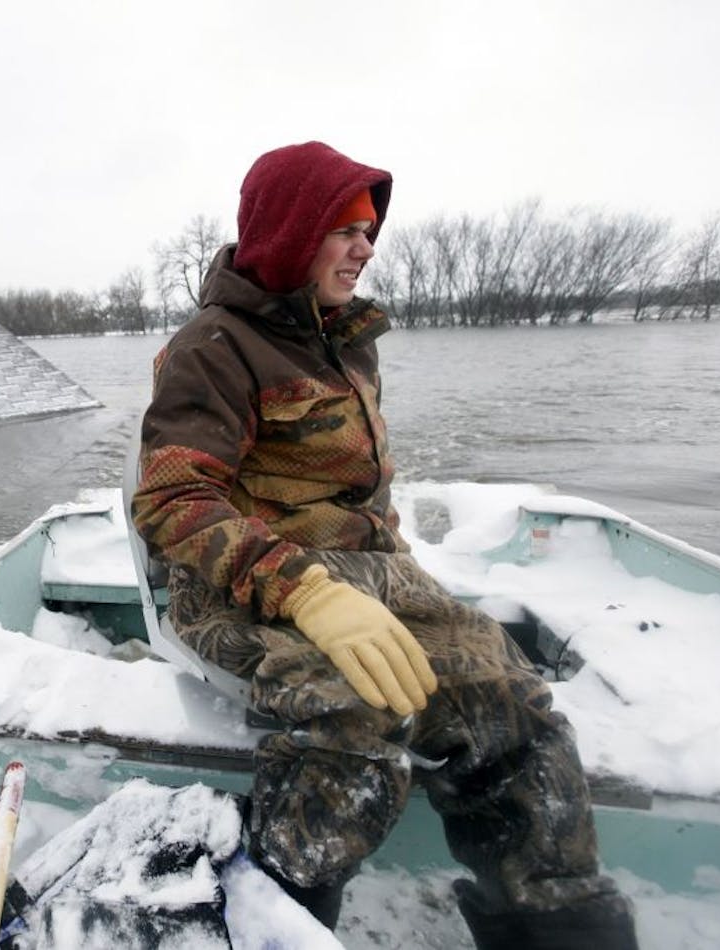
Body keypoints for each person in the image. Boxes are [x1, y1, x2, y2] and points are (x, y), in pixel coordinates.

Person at [129, 142, 638, 949]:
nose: (367, 247)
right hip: (241, 586)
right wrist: (309, 593)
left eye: (370, 229)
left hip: (371, 576)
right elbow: (170, 498)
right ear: (292, 233)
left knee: (513, 705)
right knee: (353, 711)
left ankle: (558, 927)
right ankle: (279, 915)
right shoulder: (214, 347)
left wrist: (401, 584)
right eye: (345, 229)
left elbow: (364, 495)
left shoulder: (347, 338)